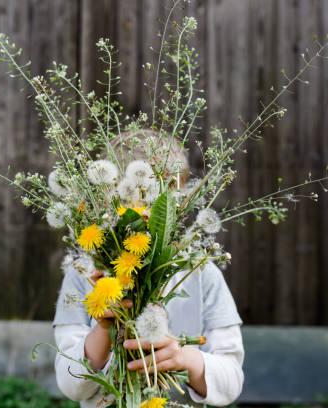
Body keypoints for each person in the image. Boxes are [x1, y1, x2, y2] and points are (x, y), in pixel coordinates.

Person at [52, 130, 245, 407]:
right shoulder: (84, 274)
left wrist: (184, 358)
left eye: (169, 201)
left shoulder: (200, 272)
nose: (154, 214)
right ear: (108, 197)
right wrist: (103, 331)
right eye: (141, 200)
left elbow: (231, 380)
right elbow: (69, 382)